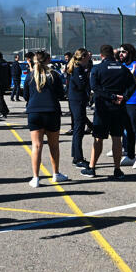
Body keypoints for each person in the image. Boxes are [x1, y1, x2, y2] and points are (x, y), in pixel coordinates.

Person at [82, 45, 136, 179]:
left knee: (98, 138)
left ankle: (92, 168)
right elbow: (133, 85)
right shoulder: (122, 68)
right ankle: (117, 170)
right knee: (117, 138)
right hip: (118, 108)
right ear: (113, 54)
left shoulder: (97, 68)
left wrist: (111, 97)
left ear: (101, 56)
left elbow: (95, 87)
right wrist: (124, 96)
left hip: (103, 108)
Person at [24, 50, 68, 186]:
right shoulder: (54, 75)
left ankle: (36, 178)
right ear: (48, 59)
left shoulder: (31, 76)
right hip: (51, 111)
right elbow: (61, 94)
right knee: (54, 146)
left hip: (34, 112)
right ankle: (56, 174)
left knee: (36, 146)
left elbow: (26, 95)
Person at [118, 44, 136, 168]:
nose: (120, 54)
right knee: (127, 130)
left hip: (134, 102)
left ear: (129, 52)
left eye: (123, 52)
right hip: (123, 102)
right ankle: (130, 155)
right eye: (120, 52)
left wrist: (133, 76)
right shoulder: (122, 66)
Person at [65, 48, 92, 168]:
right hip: (77, 100)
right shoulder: (78, 69)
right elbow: (81, 85)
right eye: (87, 57)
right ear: (83, 57)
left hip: (76, 100)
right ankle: (78, 158)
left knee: (78, 128)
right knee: (78, 129)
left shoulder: (77, 68)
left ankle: (76, 155)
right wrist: (87, 76)